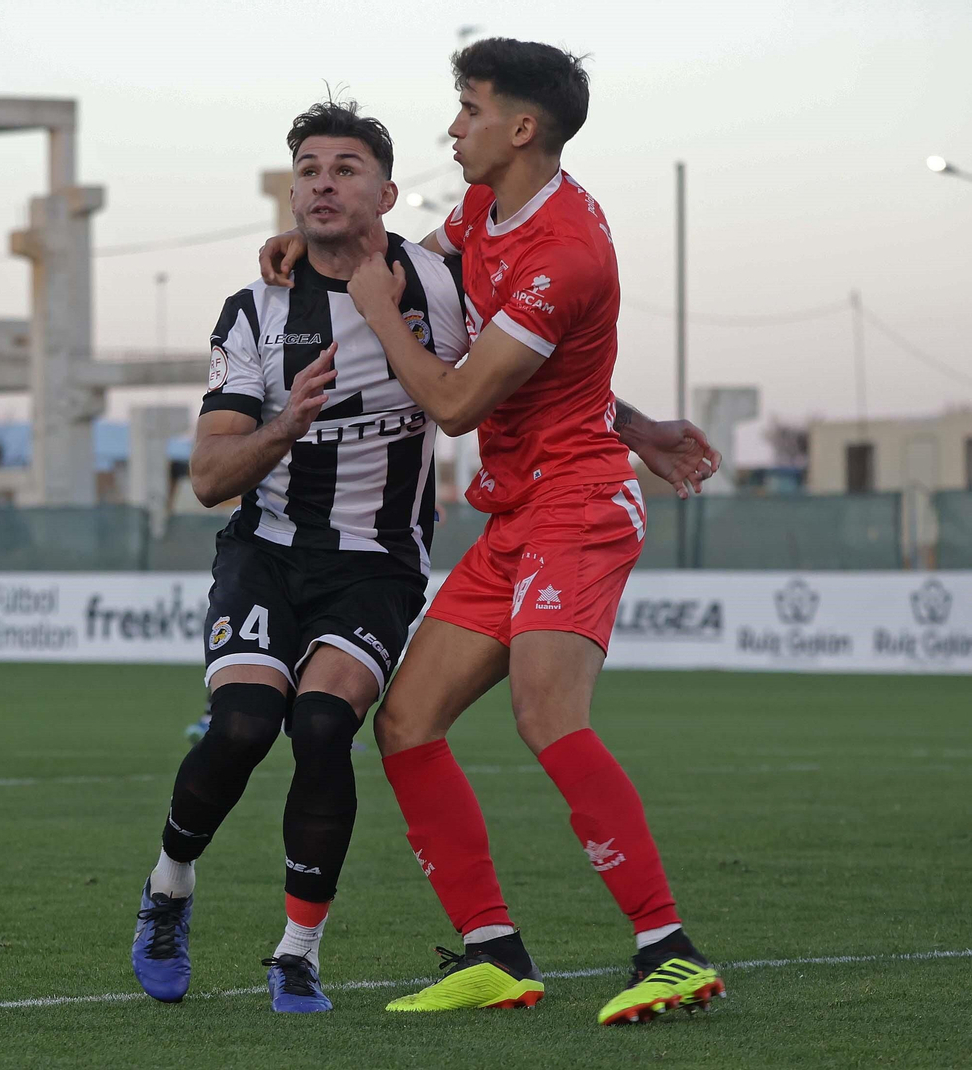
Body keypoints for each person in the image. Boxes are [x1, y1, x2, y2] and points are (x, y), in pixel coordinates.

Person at [261, 38, 725, 1026]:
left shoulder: (566, 249)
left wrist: (380, 312)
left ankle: (668, 947)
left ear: (521, 128)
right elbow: (411, 270)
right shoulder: (480, 211)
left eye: (467, 109)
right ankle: (492, 951)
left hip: (578, 505)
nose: (451, 128)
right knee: (404, 721)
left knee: (546, 713)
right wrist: (324, 246)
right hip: (517, 510)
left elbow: (460, 398)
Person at [132, 100, 473, 1014]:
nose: (324, 182)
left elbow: (533, 366)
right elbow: (209, 477)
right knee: (243, 726)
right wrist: (287, 422)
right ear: (293, 195)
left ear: (388, 192)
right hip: (269, 553)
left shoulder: (444, 285)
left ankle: (297, 952)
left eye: (347, 167)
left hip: (376, 562)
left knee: (323, 727)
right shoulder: (257, 306)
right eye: (309, 169)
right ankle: (168, 888)